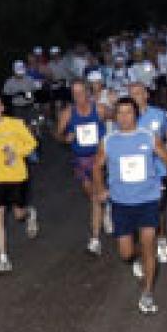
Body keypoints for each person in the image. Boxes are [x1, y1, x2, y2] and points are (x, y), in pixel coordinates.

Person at [94, 97, 167, 314]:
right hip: (121, 202)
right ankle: (141, 257)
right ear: (115, 116)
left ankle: (148, 292)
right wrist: (100, 188)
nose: (124, 117)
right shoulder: (108, 140)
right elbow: (97, 166)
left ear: (136, 115)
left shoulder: (148, 137)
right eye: (120, 113)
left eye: (128, 113)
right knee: (125, 253)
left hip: (148, 199)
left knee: (149, 243)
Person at [0, 96, 39, 273]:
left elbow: (32, 143)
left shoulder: (16, 124)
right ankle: (3, 257)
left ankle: (29, 213)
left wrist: (16, 153)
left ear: (2, 108)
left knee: (18, 214)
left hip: (17, 176)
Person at [55, 80, 107, 255]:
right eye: (74, 93)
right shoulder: (68, 113)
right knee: (90, 193)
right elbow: (58, 134)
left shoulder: (99, 109)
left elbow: (118, 119)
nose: (77, 96)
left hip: (99, 158)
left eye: (80, 92)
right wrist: (65, 138)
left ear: (87, 92)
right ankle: (105, 209)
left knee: (94, 197)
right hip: (81, 159)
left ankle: (95, 238)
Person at [129, 81, 167, 264]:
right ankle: (141, 253)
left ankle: (162, 240)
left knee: (155, 208)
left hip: (157, 170)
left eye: (138, 93)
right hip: (133, 173)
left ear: (146, 95)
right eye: (132, 94)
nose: (135, 97)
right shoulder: (124, 119)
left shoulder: (159, 114)